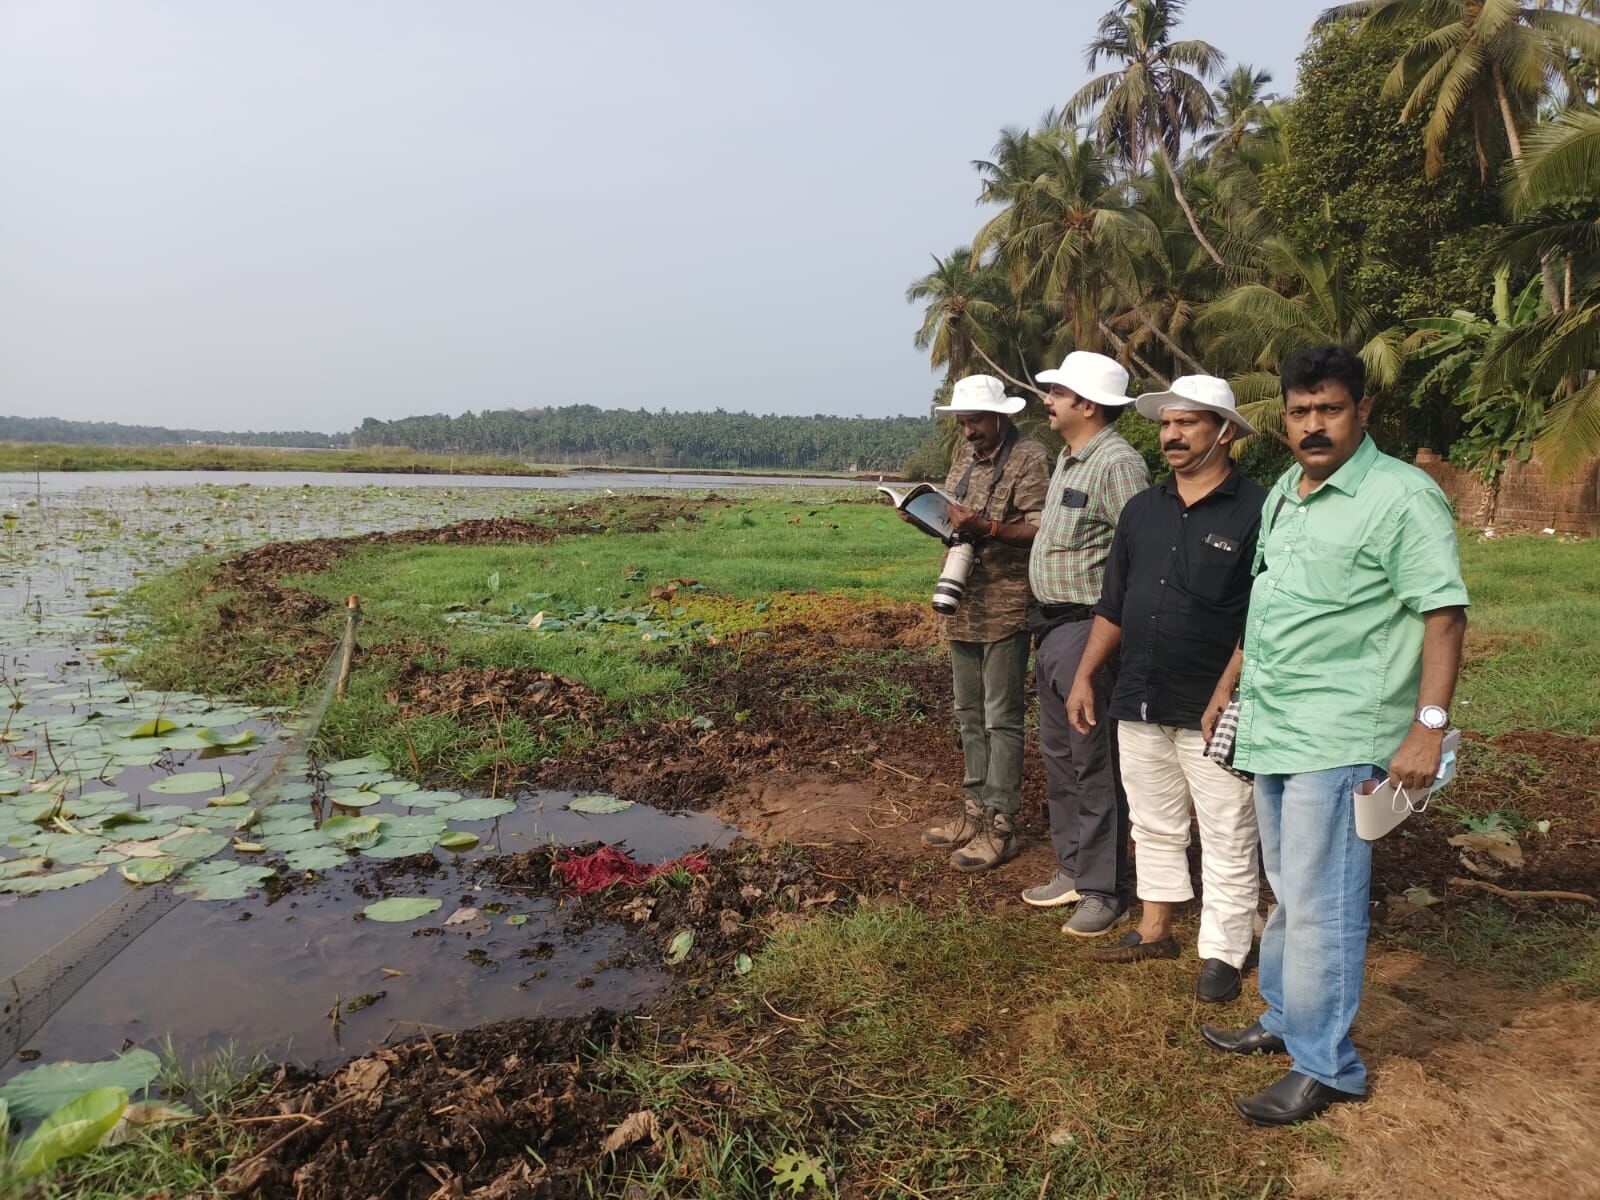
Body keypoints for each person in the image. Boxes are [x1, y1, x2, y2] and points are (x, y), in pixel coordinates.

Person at [1198, 345, 1469, 1127]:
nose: (1314, 425)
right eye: (1299, 411)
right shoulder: (1289, 488)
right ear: (1283, 417)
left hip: (1346, 734)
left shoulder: (1401, 497)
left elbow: (1443, 616)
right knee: (1288, 890)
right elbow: (1271, 604)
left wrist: (1428, 729)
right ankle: (1284, 1017)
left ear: (1364, 411)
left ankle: (1328, 1066)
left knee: (1324, 904)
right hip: (1279, 722)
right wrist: (1229, 686)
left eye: (1331, 409)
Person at [1064, 376, 1265, 1000]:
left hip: (1214, 704)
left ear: (1225, 432)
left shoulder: (1258, 508)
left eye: (1188, 424)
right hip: (1140, 693)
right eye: (1165, 424)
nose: (1172, 436)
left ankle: (1225, 952)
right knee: (1152, 823)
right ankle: (1156, 929)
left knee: (1228, 828)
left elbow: (1263, 613)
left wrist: (1230, 685)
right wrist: (1085, 674)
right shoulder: (1142, 510)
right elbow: (1114, 603)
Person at [1022, 352, 1150, 935]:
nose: (1047, 400)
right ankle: (1072, 867)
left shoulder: (1117, 464)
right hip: (1050, 629)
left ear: (1088, 404)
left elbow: (1138, 561)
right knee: (1059, 758)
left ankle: (1104, 886)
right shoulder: (1071, 461)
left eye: (1058, 393)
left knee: (1092, 759)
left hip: (1088, 630)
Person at [917, 375, 1052, 872]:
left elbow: (1042, 529)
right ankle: (973, 810)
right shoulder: (964, 458)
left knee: (1002, 717)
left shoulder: (1031, 457)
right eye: (962, 422)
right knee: (967, 712)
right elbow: (954, 516)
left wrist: (988, 529)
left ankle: (1001, 823)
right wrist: (925, 516)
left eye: (974, 421)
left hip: (1007, 604)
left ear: (1000, 417)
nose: (968, 431)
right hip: (963, 601)